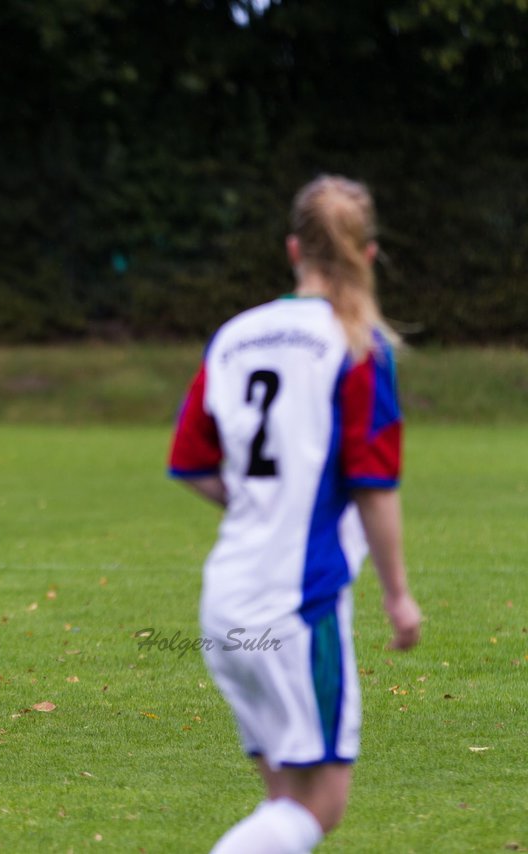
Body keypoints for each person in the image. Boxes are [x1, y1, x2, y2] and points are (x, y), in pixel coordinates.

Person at [168, 175, 422, 852]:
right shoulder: (359, 345)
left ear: (292, 250)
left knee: (283, 799)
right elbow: (374, 484)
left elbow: (192, 461)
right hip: (297, 604)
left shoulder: (236, 336)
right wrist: (397, 596)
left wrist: (257, 500)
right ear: (367, 257)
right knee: (324, 805)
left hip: (226, 600)